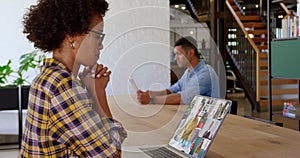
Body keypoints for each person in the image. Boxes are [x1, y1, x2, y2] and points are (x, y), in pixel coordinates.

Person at [20, 0, 127, 157]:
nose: (101, 45)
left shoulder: (48, 77)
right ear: (72, 37)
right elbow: (111, 154)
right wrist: (97, 92)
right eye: (98, 36)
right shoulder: (62, 86)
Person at [137, 36, 220, 105]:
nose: (175, 58)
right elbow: (171, 90)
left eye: (178, 54)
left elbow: (182, 98)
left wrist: (151, 100)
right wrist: (149, 93)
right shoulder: (188, 72)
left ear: (191, 53)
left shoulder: (205, 73)